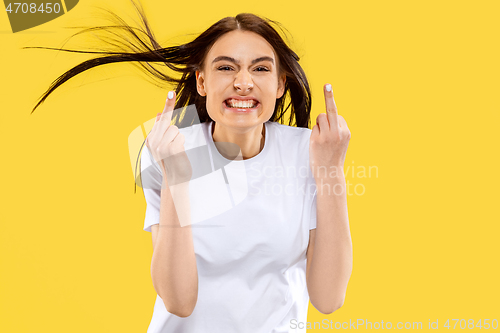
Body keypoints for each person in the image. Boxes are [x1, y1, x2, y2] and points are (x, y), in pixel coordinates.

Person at [28, 1, 353, 332]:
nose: (243, 82)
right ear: (201, 82)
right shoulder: (168, 151)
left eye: (260, 69)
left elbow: (328, 299)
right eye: (226, 68)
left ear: (281, 84)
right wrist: (176, 177)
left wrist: (331, 170)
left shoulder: (312, 153)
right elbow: (178, 301)